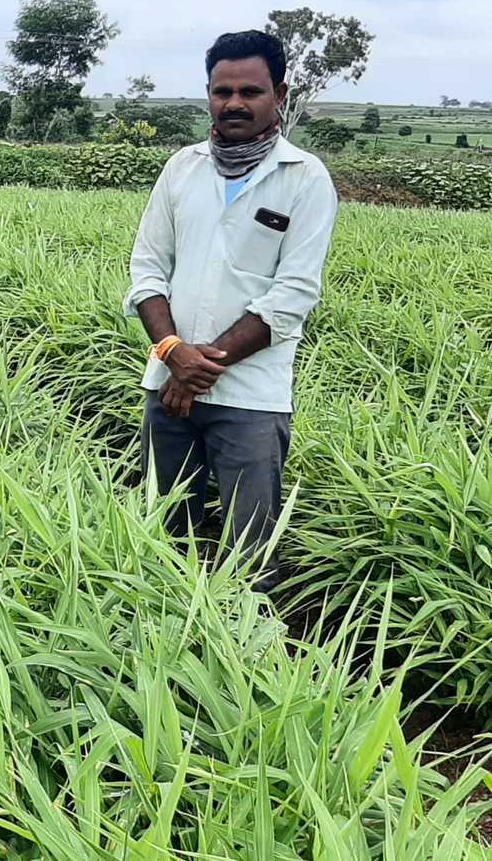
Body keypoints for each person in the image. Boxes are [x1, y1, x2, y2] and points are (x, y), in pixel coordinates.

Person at [123, 29, 338, 593]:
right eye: (222, 91)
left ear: (280, 95)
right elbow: (147, 270)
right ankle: (162, 630)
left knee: (249, 550)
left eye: (250, 91)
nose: (234, 103)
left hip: (251, 399)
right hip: (168, 389)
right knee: (161, 538)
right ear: (209, 95)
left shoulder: (304, 178)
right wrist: (173, 352)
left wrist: (196, 370)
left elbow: (293, 295)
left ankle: (246, 641)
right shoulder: (182, 168)